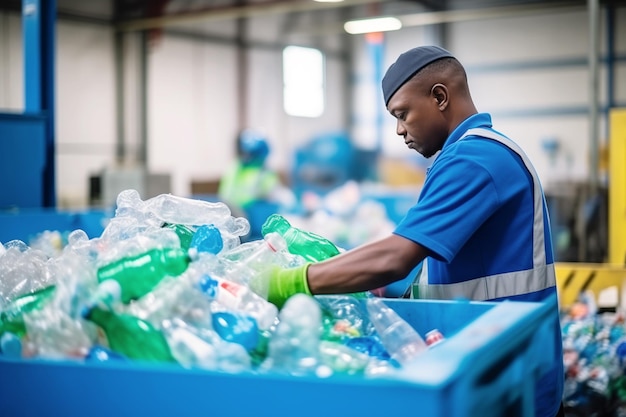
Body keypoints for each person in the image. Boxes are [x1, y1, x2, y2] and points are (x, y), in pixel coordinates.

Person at [263, 45, 564, 417]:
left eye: (403, 114)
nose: (399, 130)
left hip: (507, 378)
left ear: (439, 97)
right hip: (500, 365)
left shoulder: (475, 159)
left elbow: (396, 256)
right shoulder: (475, 154)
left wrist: (286, 281)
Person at [218, 129, 296, 237]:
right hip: (245, 218)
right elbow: (278, 194)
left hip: (235, 214)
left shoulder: (236, 166)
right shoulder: (257, 172)